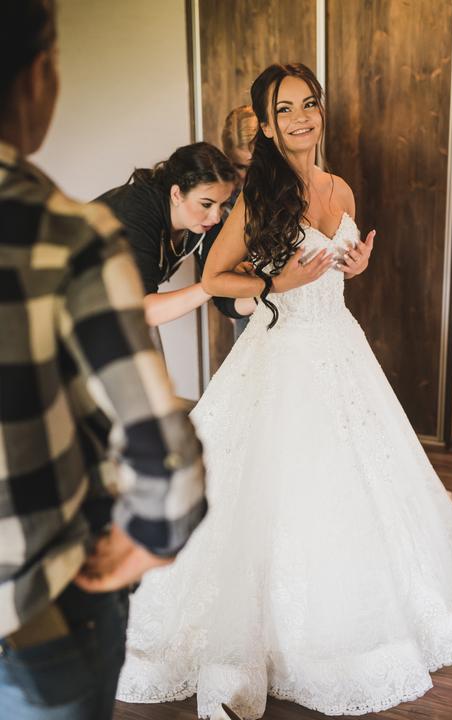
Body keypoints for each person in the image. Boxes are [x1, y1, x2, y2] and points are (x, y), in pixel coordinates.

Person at [116, 63, 452, 719]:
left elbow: (332, 269)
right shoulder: (259, 192)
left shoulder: (338, 186)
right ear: (265, 124)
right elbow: (216, 278)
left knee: (365, 480)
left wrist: (354, 265)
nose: (300, 117)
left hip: (340, 347)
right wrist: (276, 285)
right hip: (282, 351)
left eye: (308, 103)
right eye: (284, 109)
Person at [0, 2, 206, 719]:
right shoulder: (66, 232)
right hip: (39, 610)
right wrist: (149, 539)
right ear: (40, 75)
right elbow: (165, 453)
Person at [98, 143, 255, 326]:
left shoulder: (206, 223)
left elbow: (225, 301)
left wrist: (266, 293)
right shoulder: (136, 212)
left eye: (223, 204)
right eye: (206, 204)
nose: (216, 216)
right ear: (176, 194)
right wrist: (214, 283)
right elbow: (142, 311)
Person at [221, 105, 258, 338]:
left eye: (254, 165)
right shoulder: (222, 199)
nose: (249, 174)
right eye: (240, 167)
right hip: (245, 303)